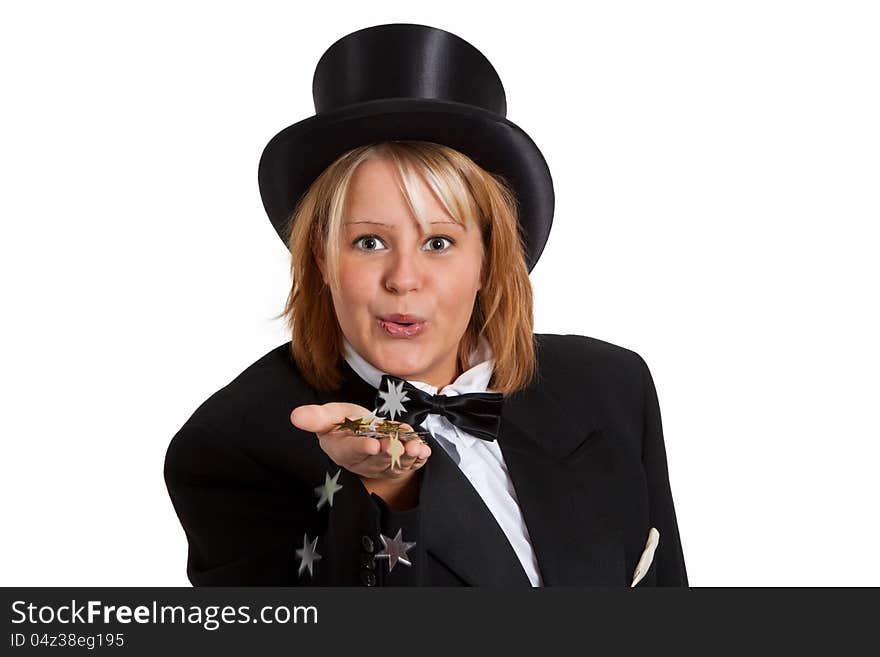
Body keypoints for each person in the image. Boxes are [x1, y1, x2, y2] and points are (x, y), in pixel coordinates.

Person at [163, 23, 688, 587]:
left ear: (488, 259)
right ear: (320, 256)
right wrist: (389, 493)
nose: (403, 279)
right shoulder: (229, 448)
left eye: (439, 242)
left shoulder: (611, 385)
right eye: (369, 242)